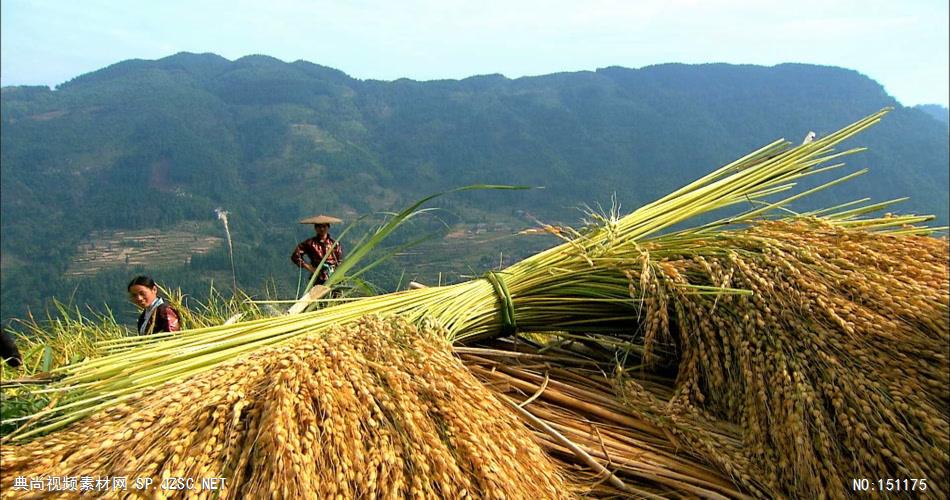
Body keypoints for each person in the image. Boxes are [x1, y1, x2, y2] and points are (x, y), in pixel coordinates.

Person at [291, 215, 344, 286]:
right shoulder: (310, 243)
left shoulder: (334, 243)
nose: (322, 229)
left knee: (335, 296)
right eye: (319, 226)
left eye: (324, 226)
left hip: (334, 277)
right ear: (315, 228)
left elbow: (339, 261)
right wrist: (310, 268)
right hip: (319, 277)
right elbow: (295, 256)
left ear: (328, 227)